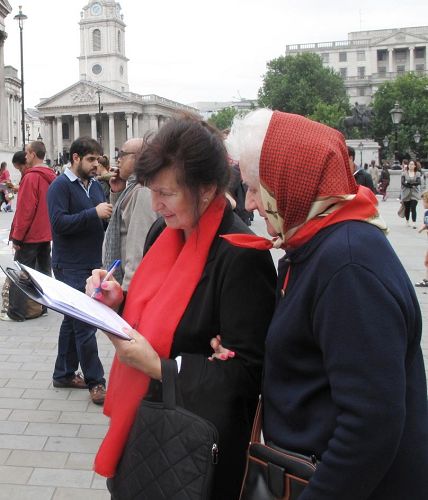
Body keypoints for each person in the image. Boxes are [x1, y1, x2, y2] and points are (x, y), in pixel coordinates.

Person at [224, 109, 428, 499]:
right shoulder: (318, 245)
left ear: (285, 183)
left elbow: (370, 426)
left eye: (254, 187)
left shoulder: (347, 263)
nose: (249, 203)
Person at [86, 116, 277, 499]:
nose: (156, 205)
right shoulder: (164, 231)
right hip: (143, 426)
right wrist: (115, 303)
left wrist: (161, 367)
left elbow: (249, 375)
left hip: (198, 449)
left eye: (167, 194)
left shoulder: (241, 253)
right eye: (151, 191)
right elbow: (152, 324)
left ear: (206, 189)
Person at [47, 137, 112, 405]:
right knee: (85, 324)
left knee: (71, 320)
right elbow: (59, 224)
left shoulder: (95, 186)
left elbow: (103, 220)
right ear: (75, 158)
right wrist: (93, 214)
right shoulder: (59, 186)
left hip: (91, 263)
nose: (97, 165)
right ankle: (96, 382)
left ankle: (63, 373)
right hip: (69, 265)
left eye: (98, 159)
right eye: (91, 160)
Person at [2, 142, 57, 322]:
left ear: (32, 154)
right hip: (46, 232)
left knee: (21, 272)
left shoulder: (31, 177)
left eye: (27, 153)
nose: (25, 156)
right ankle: (44, 306)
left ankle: (17, 311)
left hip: (30, 234)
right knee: (43, 270)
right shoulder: (52, 175)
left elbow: (25, 210)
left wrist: (17, 237)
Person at [102, 138, 157, 291]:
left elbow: (137, 250)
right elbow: (121, 221)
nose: (118, 159)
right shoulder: (132, 188)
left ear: (137, 158)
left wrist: (127, 293)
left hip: (129, 285)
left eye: (122, 154)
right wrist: (117, 193)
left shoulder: (143, 192)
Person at [401, 159, 421, 228]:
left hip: (415, 193)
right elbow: (403, 182)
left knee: (413, 207)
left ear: (415, 166)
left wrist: (410, 183)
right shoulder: (404, 173)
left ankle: (414, 222)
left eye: (412, 164)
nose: (411, 165)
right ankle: (407, 220)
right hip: (406, 193)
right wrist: (410, 185)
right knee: (407, 208)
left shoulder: (417, 173)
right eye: (410, 164)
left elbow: (418, 182)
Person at [415, 190, 428, 287]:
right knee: (426, 261)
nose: (422, 203)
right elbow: (426, 224)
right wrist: (423, 228)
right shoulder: (426, 213)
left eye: (424, 201)